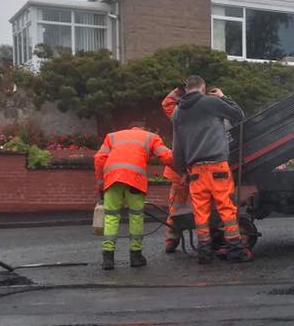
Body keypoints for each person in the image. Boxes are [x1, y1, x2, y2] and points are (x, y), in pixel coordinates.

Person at [171, 75, 252, 264]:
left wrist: (182, 171)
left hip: (195, 171)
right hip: (217, 167)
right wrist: (223, 97)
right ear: (202, 87)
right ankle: (235, 251)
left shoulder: (177, 113)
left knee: (200, 213)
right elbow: (238, 115)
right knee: (226, 209)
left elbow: (177, 146)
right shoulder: (211, 102)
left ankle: (204, 253)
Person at [94, 122, 174, 270]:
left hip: (112, 179)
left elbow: (99, 159)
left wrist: (100, 183)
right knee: (136, 216)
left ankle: (108, 258)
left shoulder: (112, 136)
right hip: (135, 181)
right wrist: (183, 165)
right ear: (143, 129)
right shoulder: (151, 137)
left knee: (111, 217)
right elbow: (167, 156)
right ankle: (136, 256)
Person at [161, 83, 192, 252]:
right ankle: (207, 241)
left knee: (176, 208)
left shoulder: (180, 115)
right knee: (202, 206)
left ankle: (171, 242)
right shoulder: (206, 115)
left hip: (180, 171)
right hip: (196, 170)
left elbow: (167, 103)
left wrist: (178, 92)